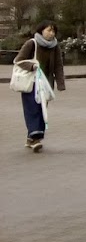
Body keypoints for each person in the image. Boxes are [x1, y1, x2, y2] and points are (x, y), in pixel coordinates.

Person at [13, 22, 67, 152]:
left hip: (46, 84)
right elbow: (18, 60)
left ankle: (30, 138)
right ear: (41, 31)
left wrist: (60, 83)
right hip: (31, 83)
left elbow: (58, 65)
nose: (51, 33)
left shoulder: (55, 47)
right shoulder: (32, 43)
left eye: (53, 31)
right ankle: (35, 138)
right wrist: (32, 66)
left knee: (42, 110)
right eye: (49, 30)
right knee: (33, 109)